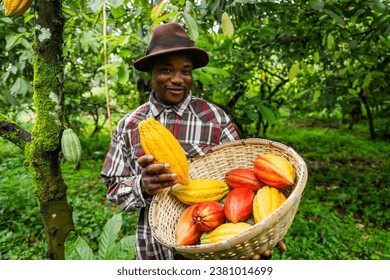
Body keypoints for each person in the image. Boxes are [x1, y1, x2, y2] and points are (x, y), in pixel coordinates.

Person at [100, 22, 286, 260]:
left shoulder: (214, 118)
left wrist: (259, 229)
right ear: (151, 72)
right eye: (167, 70)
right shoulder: (129, 125)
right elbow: (114, 189)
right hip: (154, 250)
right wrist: (142, 185)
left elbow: (245, 183)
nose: (177, 79)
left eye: (185, 71)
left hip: (214, 243)